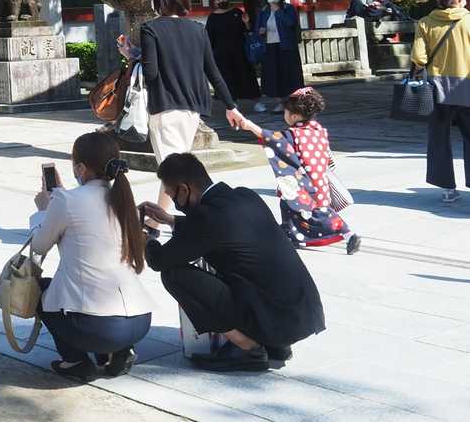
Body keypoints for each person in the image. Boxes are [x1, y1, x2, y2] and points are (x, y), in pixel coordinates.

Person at [141, 153, 325, 372]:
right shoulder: (245, 196)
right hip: (302, 313)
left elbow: (160, 260)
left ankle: (248, 349)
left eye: (172, 195)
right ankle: (275, 344)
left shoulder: (207, 217)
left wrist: (144, 238)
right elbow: (218, 229)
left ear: (184, 189)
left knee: (174, 275)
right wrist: (170, 220)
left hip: (275, 318)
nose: (173, 201)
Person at [28, 131, 153, 380]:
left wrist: (44, 210)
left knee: (41, 292)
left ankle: (76, 361)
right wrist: (60, 198)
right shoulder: (122, 198)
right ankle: (119, 352)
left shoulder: (66, 200)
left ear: (81, 168)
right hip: (140, 320)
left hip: (99, 328)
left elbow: (39, 246)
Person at [130, 0, 245, 207]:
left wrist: (133, 56)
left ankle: (205, 212)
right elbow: (213, 72)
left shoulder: (151, 28)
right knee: (176, 168)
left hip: (165, 106)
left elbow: (151, 73)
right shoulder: (197, 29)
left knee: (173, 172)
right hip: (193, 107)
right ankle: (157, 222)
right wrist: (231, 106)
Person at [233, 87, 357, 251]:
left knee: (319, 215)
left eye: (286, 112)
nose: (284, 115)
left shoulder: (293, 134)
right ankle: (291, 236)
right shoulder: (318, 130)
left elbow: (272, 139)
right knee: (295, 210)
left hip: (303, 185)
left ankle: (348, 234)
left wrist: (250, 126)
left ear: (295, 116)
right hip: (320, 181)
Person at [413, 0, 470, 204]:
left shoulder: (425, 23)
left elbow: (419, 58)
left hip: (437, 89)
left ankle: (447, 188)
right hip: (467, 87)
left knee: (439, 138)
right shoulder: (468, 21)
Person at [205, 0, 259, 106]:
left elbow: (247, 30)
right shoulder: (212, 17)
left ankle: (256, 102)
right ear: (214, 3)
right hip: (221, 53)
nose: (220, 2)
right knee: (227, 78)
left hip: (239, 50)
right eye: (218, 0)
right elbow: (209, 36)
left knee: (246, 75)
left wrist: (247, 23)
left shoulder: (237, 12)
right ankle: (232, 104)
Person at [255, 0, 303, 113]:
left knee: (289, 74)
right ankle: (281, 103)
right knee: (274, 75)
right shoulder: (264, 11)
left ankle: (294, 103)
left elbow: (291, 23)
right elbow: (257, 29)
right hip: (269, 46)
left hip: (286, 46)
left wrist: (278, 11)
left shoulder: (288, 8)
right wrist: (260, 31)